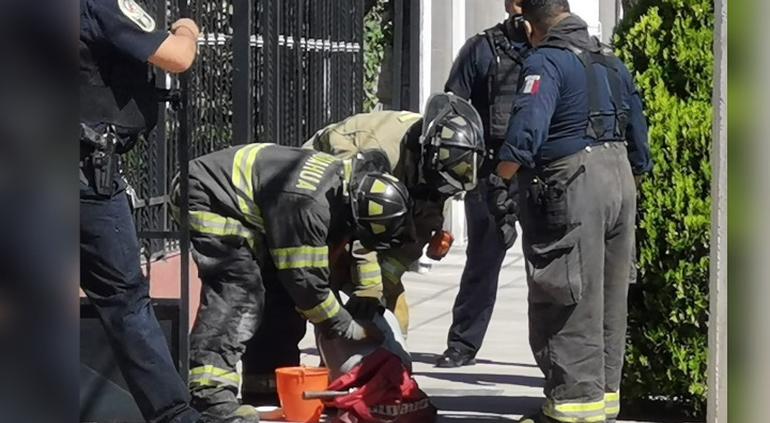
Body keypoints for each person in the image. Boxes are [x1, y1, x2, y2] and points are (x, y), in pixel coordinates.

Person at [493, 1, 652, 422]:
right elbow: (640, 143)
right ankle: (603, 402)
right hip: (620, 181)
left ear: (529, 23)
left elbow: (525, 136)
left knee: (567, 295)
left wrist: (498, 180)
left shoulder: (545, 62)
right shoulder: (611, 62)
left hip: (573, 184)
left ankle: (572, 411)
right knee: (607, 298)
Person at [172, 143, 412, 422]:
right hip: (208, 196)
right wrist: (347, 328)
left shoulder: (346, 187)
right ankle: (207, 396)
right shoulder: (308, 206)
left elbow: (310, 277)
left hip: (246, 205)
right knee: (240, 292)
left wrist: (366, 297)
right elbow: (307, 286)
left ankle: (265, 388)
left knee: (279, 294)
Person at [79, 0, 200, 421]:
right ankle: (176, 416)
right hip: (81, 179)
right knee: (125, 303)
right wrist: (187, 27)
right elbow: (177, 57)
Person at [303, 93, 486, 335]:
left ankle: (392, 364)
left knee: (394, 307)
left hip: (370, 205)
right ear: (427, 156)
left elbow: (423, 223)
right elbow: (360, 221)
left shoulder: (440, 161)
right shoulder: (378, 151)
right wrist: (368, 288)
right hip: (326, 194)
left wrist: (388, 280)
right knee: (325, 282)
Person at [436, 0, 531, 368]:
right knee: (482, 262)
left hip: (540, 172)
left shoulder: (557, 49)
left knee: (549, 270)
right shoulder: (482, 49)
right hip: (492, 172)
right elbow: (453, 108)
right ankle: (462, 345)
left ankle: (556, 357)